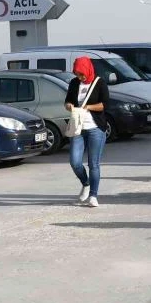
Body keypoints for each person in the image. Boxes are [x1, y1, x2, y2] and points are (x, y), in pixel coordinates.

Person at [64, 56, 110, 207]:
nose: (80, 77)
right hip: (78, 127)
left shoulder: (100, 82)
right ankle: (86, 183)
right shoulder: (74, 83)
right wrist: (69, 106)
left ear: (88, 70)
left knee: (93, 164)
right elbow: (67, 101)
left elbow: (105, 104)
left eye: (82, 74)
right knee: (75, 162)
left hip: (95, 128)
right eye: (77, 74)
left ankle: (93, 195)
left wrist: (89, 107)